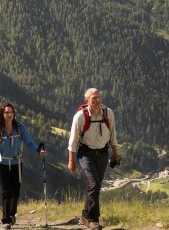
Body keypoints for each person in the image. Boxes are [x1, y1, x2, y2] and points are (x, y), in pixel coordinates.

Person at [0, 103, 47, 229]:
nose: (9, 114)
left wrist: (38, 151)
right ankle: (5, 219)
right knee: (7, 191)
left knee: (16, 191)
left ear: (14, 114)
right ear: (2, 114)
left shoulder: (20, 128)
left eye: (11, 112)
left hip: (16, 163)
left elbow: (29, 142)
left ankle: (12, 214)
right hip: (1, 163)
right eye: (6, 112)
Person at [67, 88, 119, 230]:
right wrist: (71, 161)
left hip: (103, 154)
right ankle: (93, 219)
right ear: (87, 100)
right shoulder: (80, 117)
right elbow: (73, 141)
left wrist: (115, 154)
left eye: (98, 97)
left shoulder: (108, 113)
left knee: (95, 186)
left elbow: (113, 134)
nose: (97, 100)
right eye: (93, 98)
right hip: (86, 154)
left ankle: (85, 215)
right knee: (94, 183)